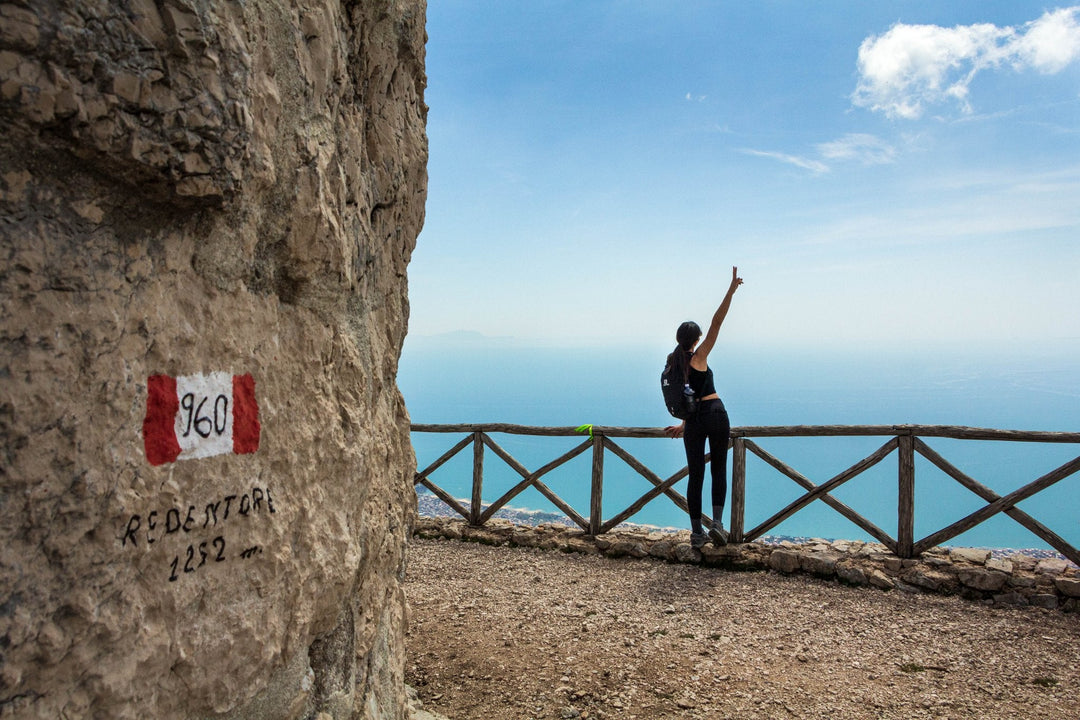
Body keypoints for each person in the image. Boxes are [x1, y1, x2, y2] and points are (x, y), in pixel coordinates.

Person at [665, 266, 743, 549]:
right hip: (715, 415)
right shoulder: (699, 357)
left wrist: (684, 424)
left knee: (695, 475)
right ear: (696, 339)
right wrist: (731, 290)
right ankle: (718, 525)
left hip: (694, 422)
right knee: (718, 469)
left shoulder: (673, 361)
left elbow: (688, 397)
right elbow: (717, 322)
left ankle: (696, 533)